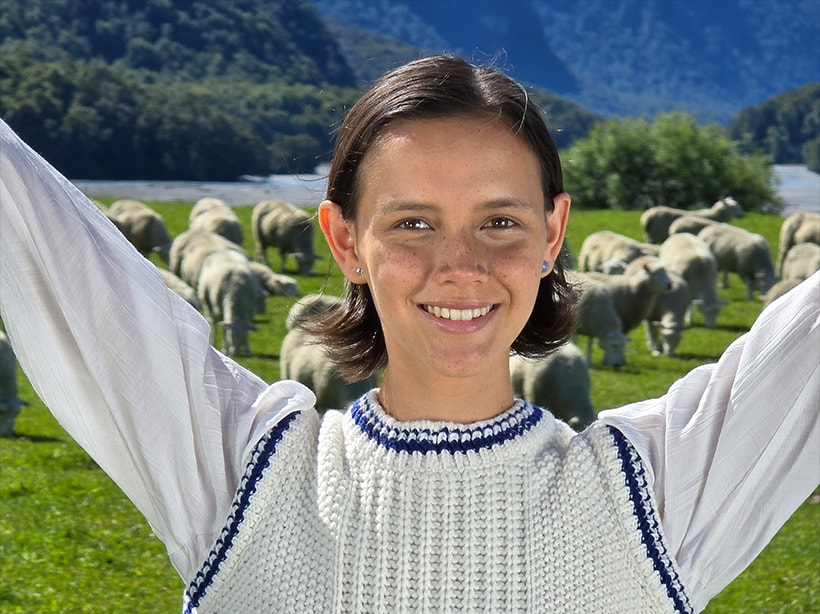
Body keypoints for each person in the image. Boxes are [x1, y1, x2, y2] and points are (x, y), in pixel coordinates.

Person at [0, 55, 817, 613]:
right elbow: (44, 242)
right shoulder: (244, 480)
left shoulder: (653, 500)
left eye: (500, 220)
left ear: (553, 232)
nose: (458, 265)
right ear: (345, 240)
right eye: (413, 222)